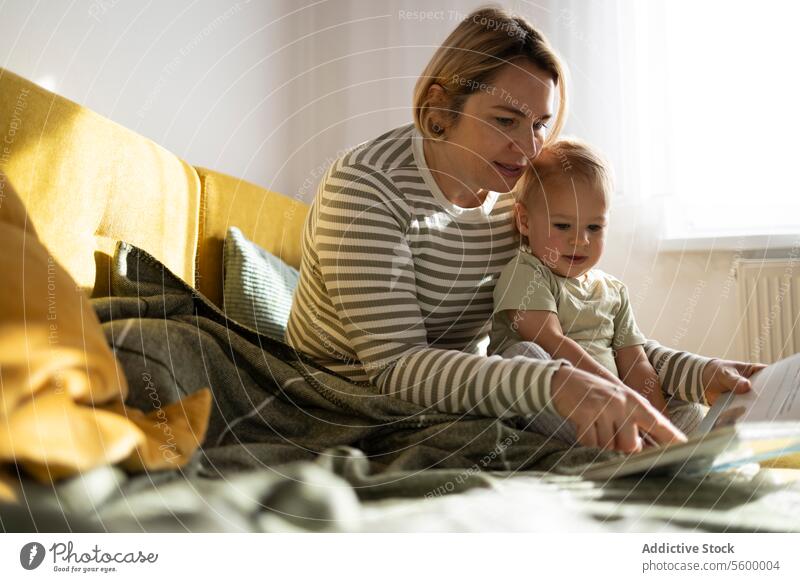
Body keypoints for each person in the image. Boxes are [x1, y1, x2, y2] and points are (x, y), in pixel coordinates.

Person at [285, 6, 764, 454]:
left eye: (540, 124)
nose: (528, 147)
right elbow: (397, 368)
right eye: (505, 120)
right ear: (441, 105)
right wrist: (555, 383)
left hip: (465, 389)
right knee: (543, 370)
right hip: (350, 402)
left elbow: (594, 330)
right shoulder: (365, 189)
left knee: (685, 407)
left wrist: (699, 371)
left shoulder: (522, 193)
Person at [489, 137, 706, 445]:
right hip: (552, 407)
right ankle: (618, 444)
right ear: (524, 220)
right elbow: (549, 340)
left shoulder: (613, 291)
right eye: (563, 226)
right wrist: (614, 392)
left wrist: (653, 416)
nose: (581, 241)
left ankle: (657, 447)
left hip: (613, 406)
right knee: (524, 356)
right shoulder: (526, 272)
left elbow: (635, 361)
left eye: (594, 228)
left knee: (685, 402)